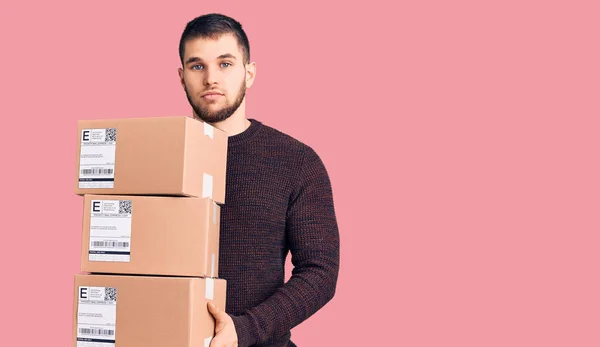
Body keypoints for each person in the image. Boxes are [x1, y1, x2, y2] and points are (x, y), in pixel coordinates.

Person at [177, 13, 340, 347]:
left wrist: (244, 329)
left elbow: (320, 271)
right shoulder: (153, 157)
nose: (211, 78)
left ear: (249, 74)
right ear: (181, 77)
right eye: (197, 66)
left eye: (225, 64)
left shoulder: (296, 161)